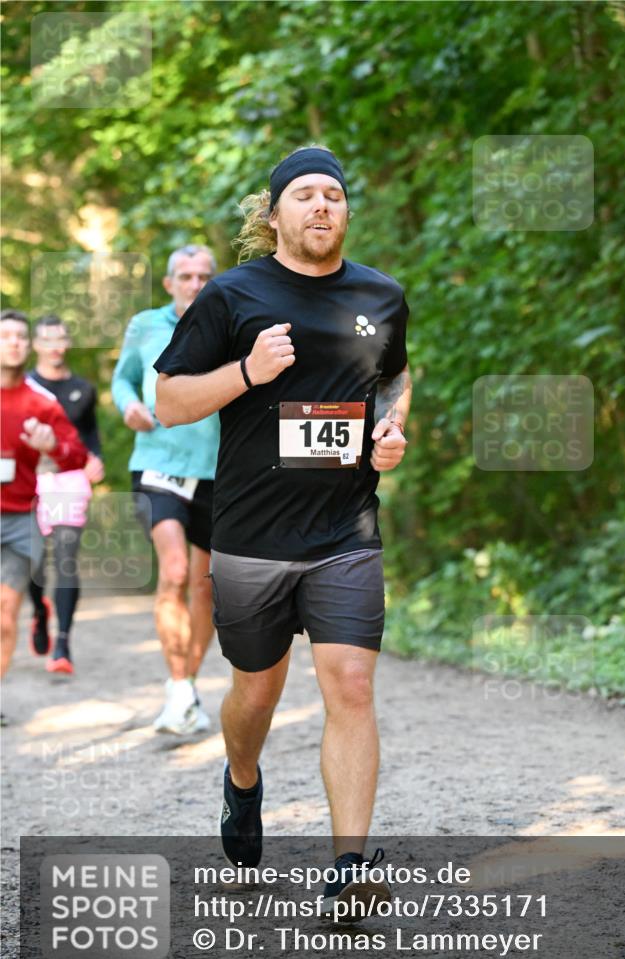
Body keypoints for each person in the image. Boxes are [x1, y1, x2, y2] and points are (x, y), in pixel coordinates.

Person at [154, 148, 412, 919]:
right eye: (304, 194)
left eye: (333, 194)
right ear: (274, 215)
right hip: (251, 536)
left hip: (345, 530)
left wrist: (393, 434)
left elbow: (394, 378)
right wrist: (247, 374)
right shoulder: (232, 296)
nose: (321, 206)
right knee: (255, 694)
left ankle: (348, 871)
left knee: (350, 685)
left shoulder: (381, 294)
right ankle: (241, 784)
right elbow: (169, 401)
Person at [111, 244, 220, 735]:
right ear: (169, 282)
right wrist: (129, 405)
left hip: (218, 472)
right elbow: (122, 381)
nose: (195, 284)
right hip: (157, 464)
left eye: (203, 276)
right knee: (174, 571)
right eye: (185, 276)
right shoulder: (145, 325)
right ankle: (178, 688)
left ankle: (186, 688)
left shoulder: (231, 320)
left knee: (206, 590)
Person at [0, 309, 88, 681]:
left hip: (20, 518)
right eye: (6, 336)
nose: (15, 342)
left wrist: (53, 447)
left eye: (21, 335)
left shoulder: (41, 403)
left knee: (5, 612)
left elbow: (77, 455)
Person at [27, 315, 105, 674]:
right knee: (30, 560)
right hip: (29, 480)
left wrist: (96, 460)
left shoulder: (82, 389)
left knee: (65, 558)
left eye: (60, 338)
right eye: (47, 339)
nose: (55, 345)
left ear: (67, 343)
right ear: (35, 345)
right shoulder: (24, 387)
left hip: (70, 480)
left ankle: (62, 644)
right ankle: (40, 611)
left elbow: (90, 434)